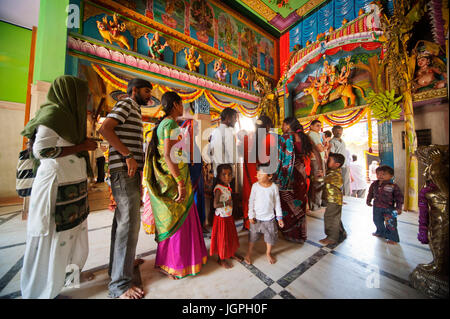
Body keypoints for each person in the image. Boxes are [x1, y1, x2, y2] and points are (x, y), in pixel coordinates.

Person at [20, 75, 98, 299]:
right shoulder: (54, 114)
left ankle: (67, 281)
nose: (86, 99)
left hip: (71, 186)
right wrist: (82, 146)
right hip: (57, 187)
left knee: (73, 238)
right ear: (70, 93)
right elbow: (41, 151)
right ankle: (42, 292)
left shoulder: (70, 118)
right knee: (53, 239)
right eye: (84, 95)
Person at [143, 91, 208, 279]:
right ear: (175, 105)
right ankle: (174, 263)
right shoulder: (170, 123)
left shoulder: (164, 124)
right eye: (181, 104)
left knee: (176, 220)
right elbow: (168, 155)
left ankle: (173, 261)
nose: (183, 107)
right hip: (174, 181)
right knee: (178, 222)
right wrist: (180, 183)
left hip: (173, 179)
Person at [99, 78, 152, 299]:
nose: (149, 95)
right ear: (134, 90)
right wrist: (128, 155)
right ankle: (119, 285)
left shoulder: (134, 110)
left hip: (127, 172)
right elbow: (105, 129)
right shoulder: (127, 103)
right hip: (124, 171)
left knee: (123, 222)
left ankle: (120, 267)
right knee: (128, 224)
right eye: (146, 91)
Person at [273, 117, 314, 243]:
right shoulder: (304, 137)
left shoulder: (284, 138)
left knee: (286, 202)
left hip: (287, 175)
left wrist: (275, 173)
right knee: (300, 200)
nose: (282, 127)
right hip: (301, 173)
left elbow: (279, 158)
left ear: (288, 125)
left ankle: (287, 231)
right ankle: (300, 235)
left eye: (283, 124)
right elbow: (312, 154)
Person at [241, 115, 276, 230]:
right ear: (267, 126)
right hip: (261, 177)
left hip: (248, 176)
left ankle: (247, 223)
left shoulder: (246, 138)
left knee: (248, 198)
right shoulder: (269, 139)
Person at [245, 164, 284, 265]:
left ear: (270, 176)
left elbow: (277, 203)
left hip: (269, 218)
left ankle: (268, 253)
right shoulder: (255, 186)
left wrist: (279, 218)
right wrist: (250, 215)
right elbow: (251, 201)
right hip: (256, 218)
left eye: (261, 174)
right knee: (252, 236)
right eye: (257, 173)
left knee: (270, 237)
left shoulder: (274, 188)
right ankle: (248, 253)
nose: (258, 175)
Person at [208, 107, 238, 226]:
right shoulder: (228, 132)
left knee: (215, 200)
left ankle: (215, 224)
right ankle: (226, 226)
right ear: (229, 118)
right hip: (226, 173)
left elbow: (210, 152)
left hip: (217, 172)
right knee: (227, 201)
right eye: (235, 118)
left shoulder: (214, 132)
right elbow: (233, 156)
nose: (235, 121)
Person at [209, 164, 242, 268]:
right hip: (221, 218)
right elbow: (215, 205)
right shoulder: (218, 189)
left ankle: (231, 253)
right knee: (222, 238)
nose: (227, 177)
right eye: (224, 175)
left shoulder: (227, 186)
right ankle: (221, 258)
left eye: (229, 174)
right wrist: (226, 203)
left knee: (230, 236)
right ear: (219, 176)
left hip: (228, 216)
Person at [366, 165, 404, 245]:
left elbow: (399, 197)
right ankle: (380, 232)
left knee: (391, 223)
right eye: (378, 174)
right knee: (377, 221)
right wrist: (368, 200)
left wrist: (399, 208)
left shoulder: (393, 186)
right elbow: (370, 193)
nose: (380, 176)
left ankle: (393, 238)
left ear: (391, 176)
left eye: (384, 174)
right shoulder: (374, 184)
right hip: (376, 207)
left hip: (389, 209)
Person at [319, 152, 347, 245]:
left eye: (330, 160)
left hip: (334, 200)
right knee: (335, 217)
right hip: (334, 200)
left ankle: (332, 238)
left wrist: (315, 176)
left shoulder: (334, 174)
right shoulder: (332, 172)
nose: (327, 161)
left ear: (337, 164)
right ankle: (341, 233)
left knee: (330, 217)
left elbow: (320, 180)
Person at [307, 119, 325, 210]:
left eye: (320, 126)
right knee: (318, 182)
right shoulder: (313, 134)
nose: (319, 127)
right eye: (317, 125)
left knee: (316, 182)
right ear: (311, 126)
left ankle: (314, 204)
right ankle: (315, 205)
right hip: (316, 161)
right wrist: (326, 146)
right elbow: (320, 149)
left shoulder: (312, 134)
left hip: (315, 160)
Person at [329, 125, 351, 196]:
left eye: (340, 130)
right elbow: (332, 154)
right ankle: (341, 197)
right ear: (333, 132)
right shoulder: (332, 141)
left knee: (346, 182)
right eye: (336, 130)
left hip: (345, 164)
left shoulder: (342, 141)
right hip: (338, 165)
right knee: (339, 182)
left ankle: (347, 197)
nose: (339, 132)